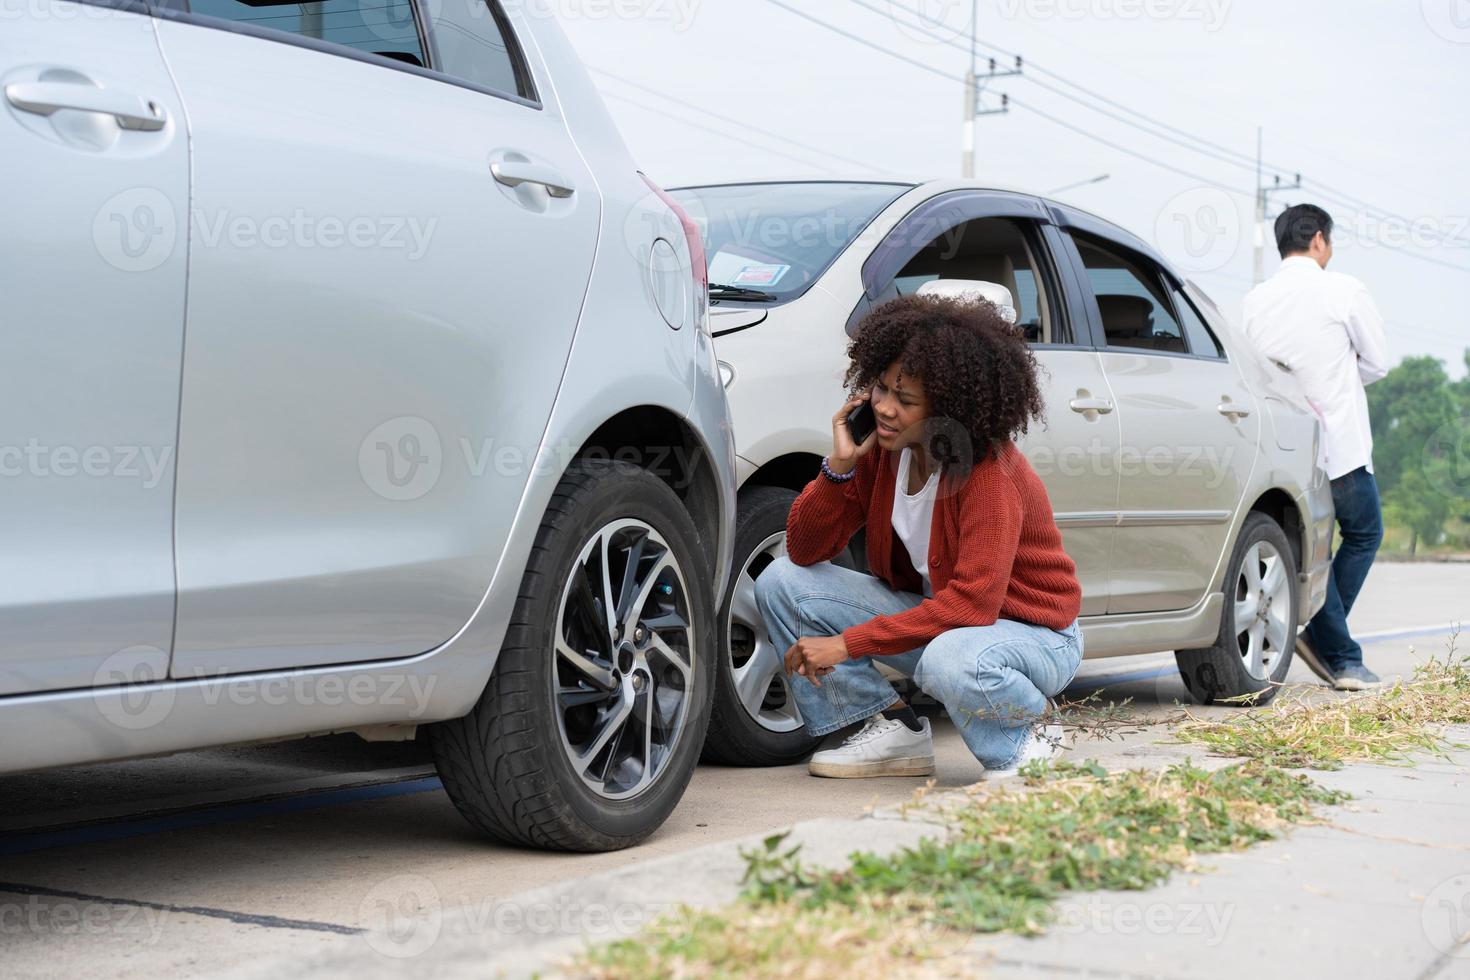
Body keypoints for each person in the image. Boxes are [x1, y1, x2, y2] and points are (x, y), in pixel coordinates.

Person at [754, 292, 1084, 779]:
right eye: (881, 389)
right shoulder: (883, 455)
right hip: (949, 624)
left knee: (950, 658)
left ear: (948, 407)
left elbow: (972, 608)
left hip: (1034, 635)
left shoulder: (990, 474)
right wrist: (840, 467)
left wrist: (846, 644)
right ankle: (889, 729)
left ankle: (1028, 735)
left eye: (904, 400)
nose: (884, 408)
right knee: (782, 582)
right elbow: (804, 549)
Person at [1243, 203, 1390, 691]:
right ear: (1320, 240)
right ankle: (1336, 648)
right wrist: (1343, 374)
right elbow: (1378, 363)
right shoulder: (1344, 290)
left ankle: (1328, 641)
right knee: (1365, 532)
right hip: (1337, 443)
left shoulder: (1255, 300)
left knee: (1304, 546)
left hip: (1282, 446)